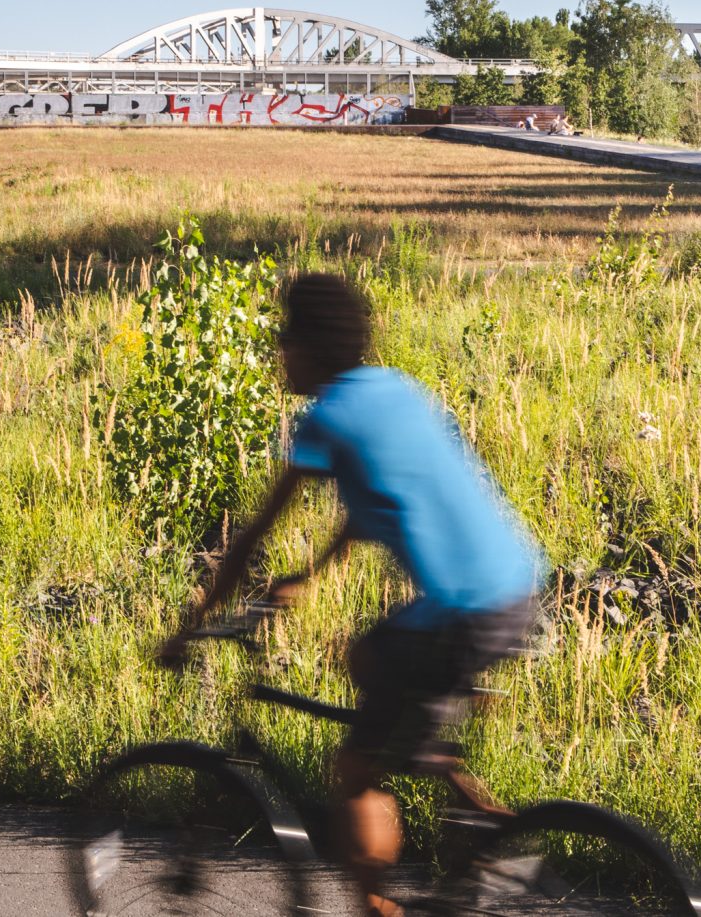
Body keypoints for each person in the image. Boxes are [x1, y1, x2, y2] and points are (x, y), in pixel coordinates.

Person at [164, 274, 545, 917]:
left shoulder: (328, 416)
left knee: (356, 765)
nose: (280, 351)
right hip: (517, 586)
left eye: (286, 338)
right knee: (370, 661)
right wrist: (308, 575)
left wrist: (191, 623)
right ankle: (479, 823)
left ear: (313, 346)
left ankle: (378, 904)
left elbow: (253, 532)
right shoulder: (396, 390)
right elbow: (380, 498)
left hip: (460, 610)